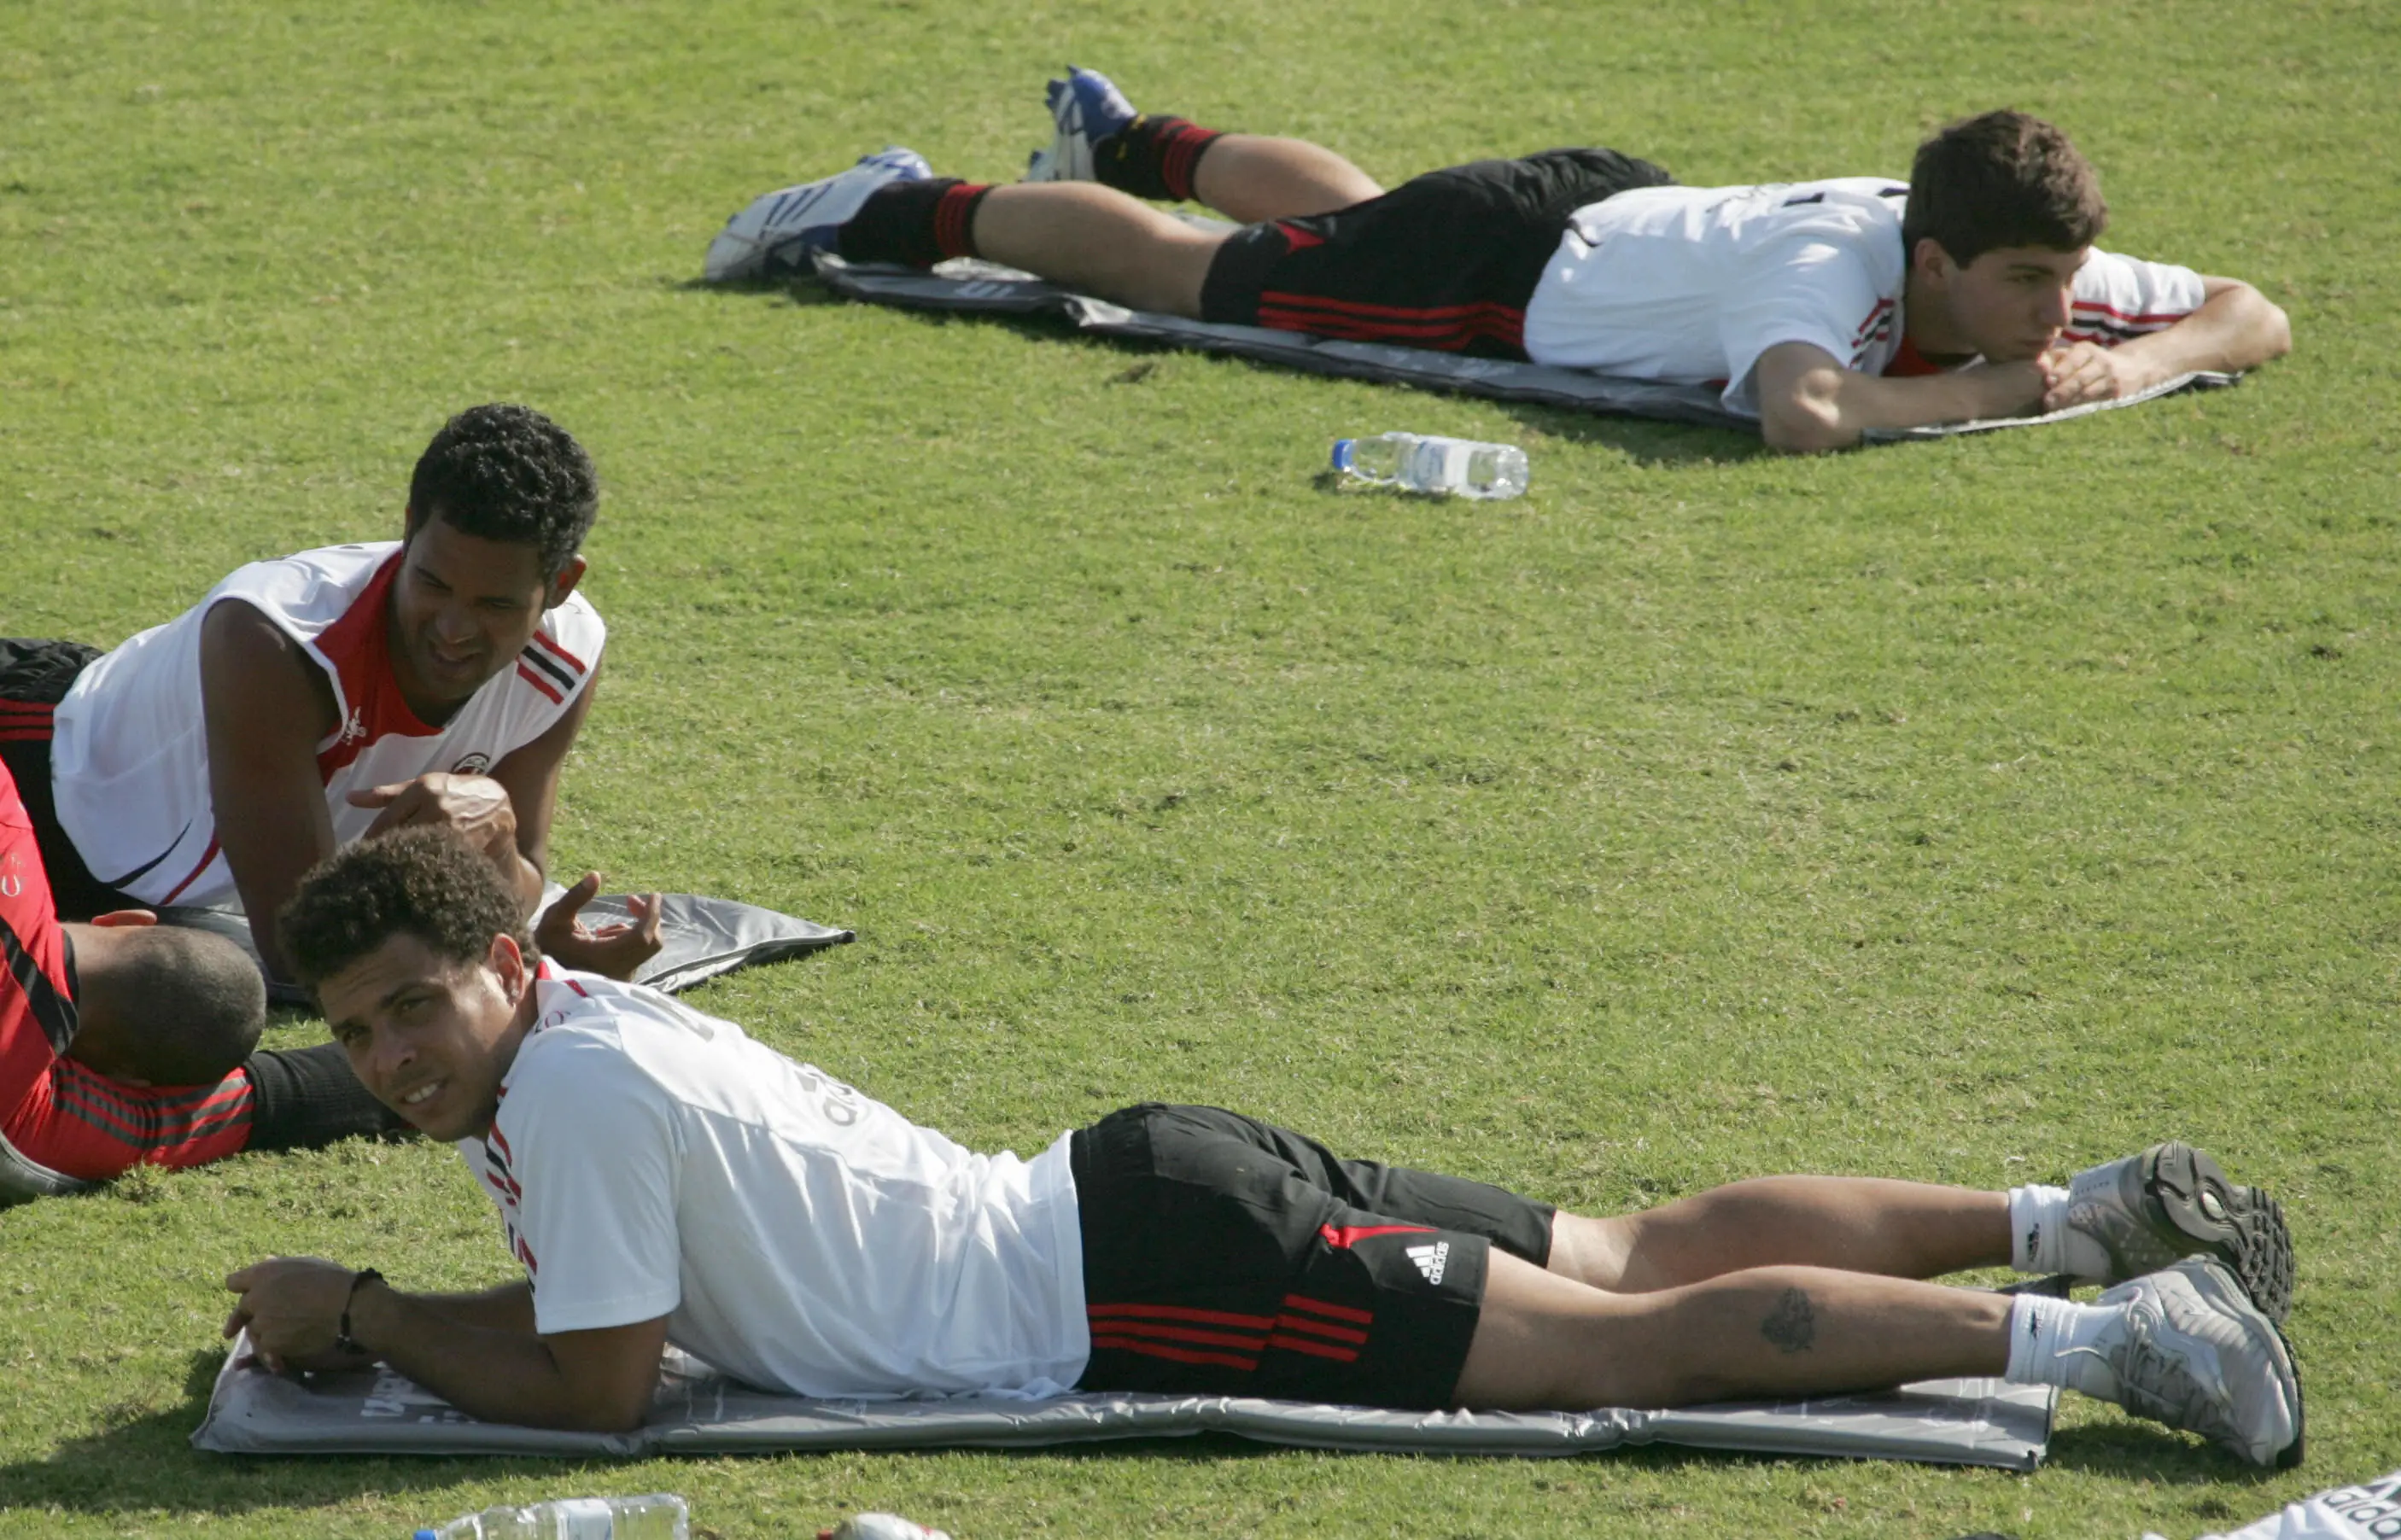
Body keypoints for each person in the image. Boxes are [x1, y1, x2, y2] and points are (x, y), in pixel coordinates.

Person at [226, 827, 2302, 1467]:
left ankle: (2116, 1332)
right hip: (1140, 1172)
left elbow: (601, 1387)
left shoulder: (570, 1087)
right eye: (359, 1031)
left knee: (1617, 1342)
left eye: (419, 1003)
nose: (395, 1056)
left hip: (1134, 1271)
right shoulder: (577, 1018)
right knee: (1631, 1237)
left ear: (499, 971)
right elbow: (502, 861)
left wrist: (373, 1311)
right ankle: (2080, 1204)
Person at [702, 70, 2292, 452]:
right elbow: (1803, 415)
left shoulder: (2017, 260)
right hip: (1495, 276)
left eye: (2062, 283)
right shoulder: (1824, 278)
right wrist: (2013, 388)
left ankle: (1123, 136)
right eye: (2027, 287)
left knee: (1335, 218)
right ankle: (889, 207)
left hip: (1585, 217)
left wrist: (2136, 357)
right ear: (1934, 259)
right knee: (1194, 279)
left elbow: (2249, 311)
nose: (2056, 309)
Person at [0, 404, 658, 989]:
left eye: (494, 604)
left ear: (562, 584)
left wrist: (503, 856)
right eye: (431, 583)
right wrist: (515, 944)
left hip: (122, 876)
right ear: (406, 531)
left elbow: (521, 881)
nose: (454, 630)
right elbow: (301, 948)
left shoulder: (567, 655)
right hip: (30, 759)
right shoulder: (273, 641)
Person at [2, 755, 402, 1193]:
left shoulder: (8, 810)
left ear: (129, 920)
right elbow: (265, 1100)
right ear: (123, 1076)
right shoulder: (25, 1113)